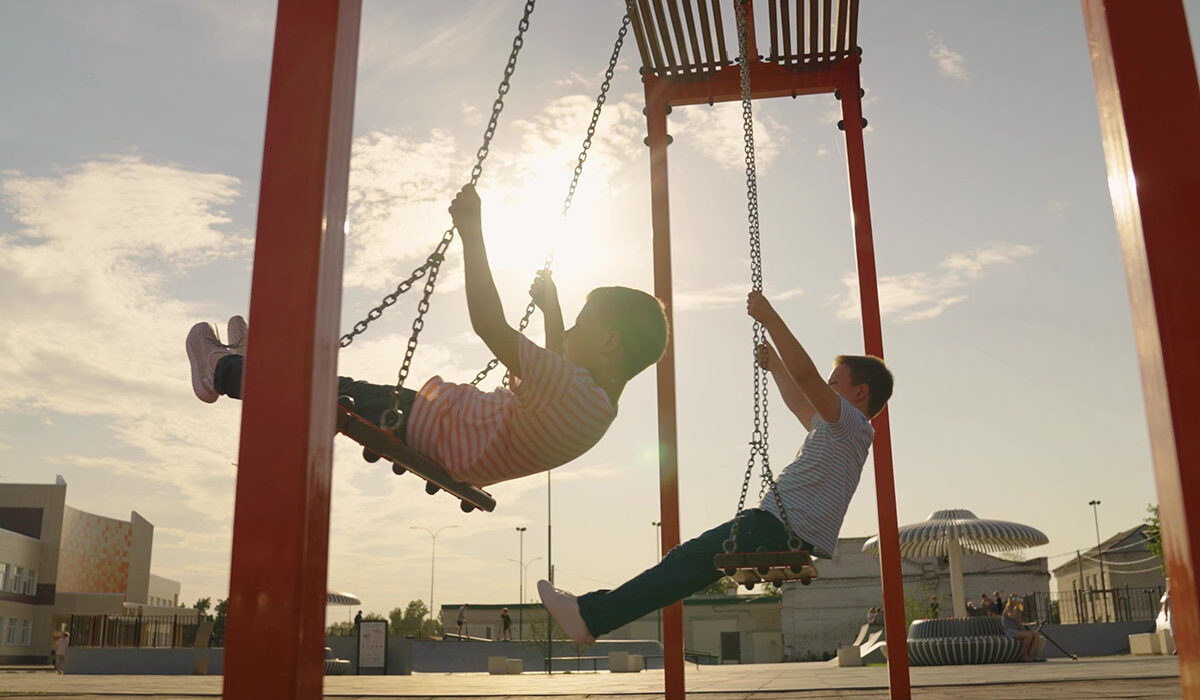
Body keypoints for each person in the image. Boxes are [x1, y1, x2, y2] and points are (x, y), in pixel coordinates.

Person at [186, 184, 669, 487]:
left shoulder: (569, 390)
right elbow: (559, 360)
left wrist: (473, 234)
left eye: (582, 324)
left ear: (610, 343)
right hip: (437, 430)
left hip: (422, 423)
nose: (569, 330)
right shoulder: (595, 406)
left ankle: (222, 370)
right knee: (327, 389)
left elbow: (490, 326)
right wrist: (554, 308)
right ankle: (252, 364)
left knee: (313, 397)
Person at [537, 291, 894, 646]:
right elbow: (800, 399)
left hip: (777, 525)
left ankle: (592, 616)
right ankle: (593, 614)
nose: (826, 390)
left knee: (685, 561)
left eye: (834, 384)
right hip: (784, 527)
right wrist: (775, 367)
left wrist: (770, 317)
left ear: (860, 393)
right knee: (690, 566)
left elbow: (806, 377)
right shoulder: (839, 430)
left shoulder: (850, 423)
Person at [1002, 594, 1040, 661]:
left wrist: (1025, 630)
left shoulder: (1019, 610)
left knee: (1036, 635)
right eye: (1013, 599)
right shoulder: (1008, 608)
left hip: (1017, 630)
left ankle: (1030, 654)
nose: (1015, 600)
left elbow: (1019, 622)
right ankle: (1024, 655)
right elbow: (1011, 616)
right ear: (1010, 600)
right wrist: (1015, 608)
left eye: (1017, 599)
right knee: (1028, 636)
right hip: (1009, 630)